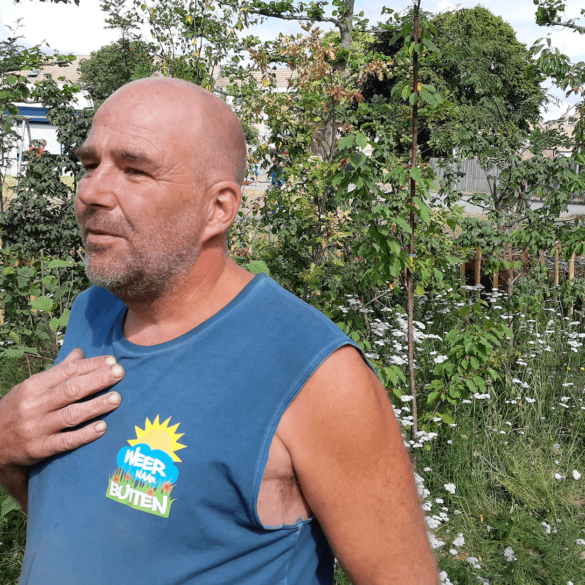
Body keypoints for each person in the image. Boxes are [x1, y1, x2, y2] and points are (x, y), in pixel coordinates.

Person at [0, 78, 439, 585]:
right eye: (89, 164)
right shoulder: (92, 311)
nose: (92, 192)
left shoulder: (315, 374)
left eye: (135, 170)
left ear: (219, 209)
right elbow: (79, 519)